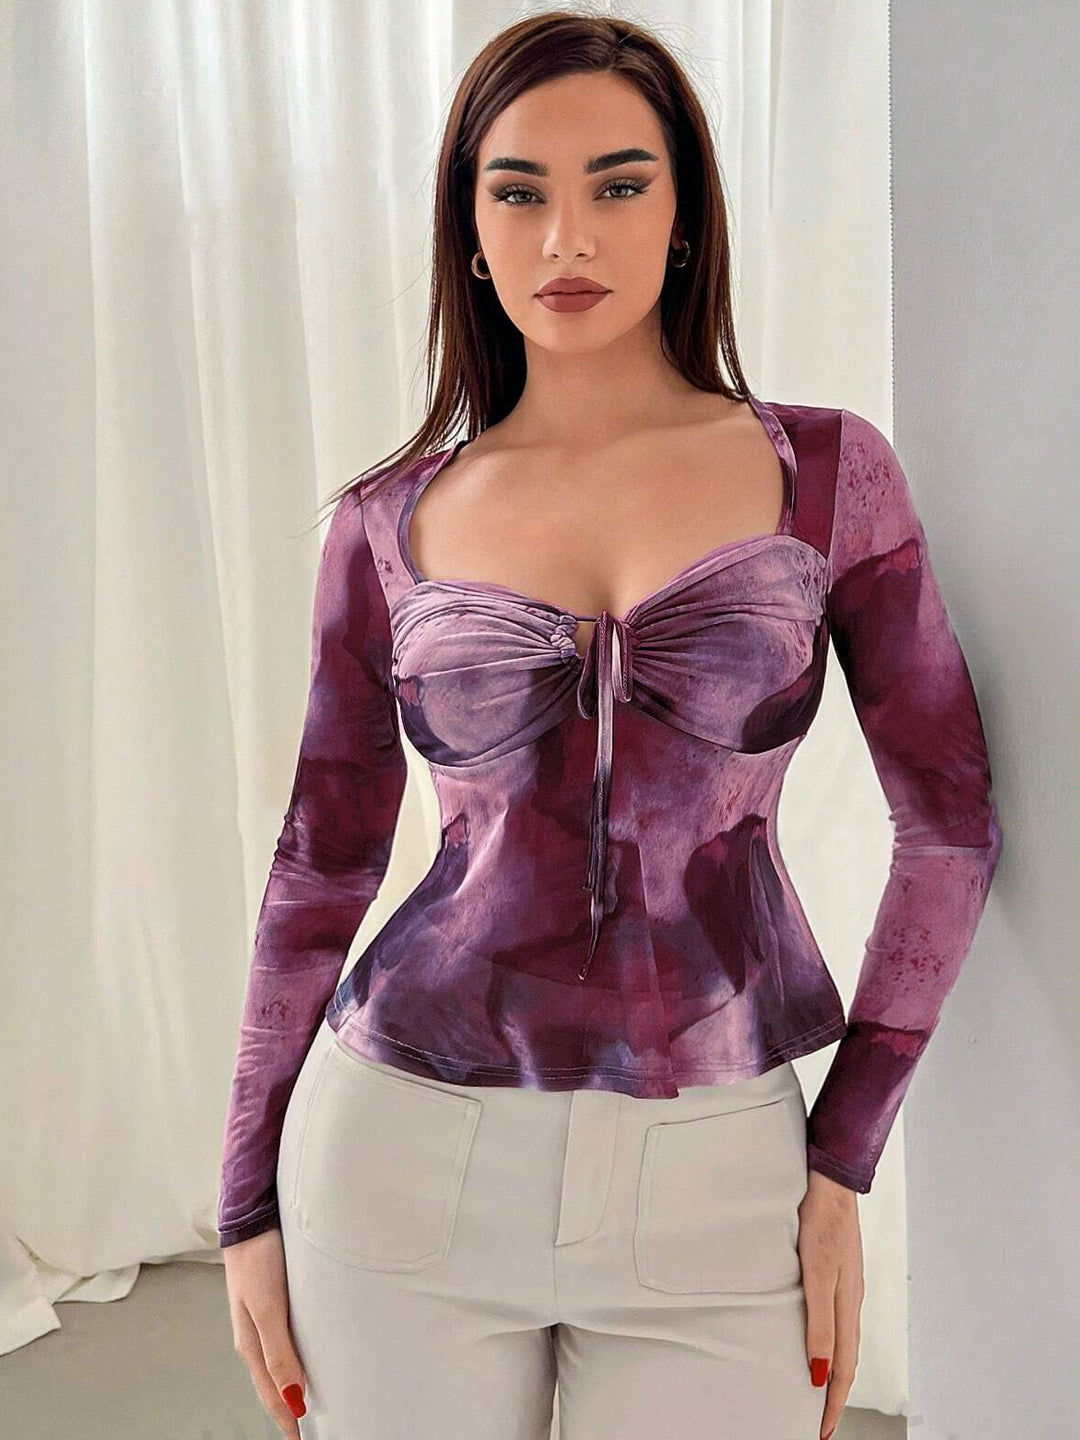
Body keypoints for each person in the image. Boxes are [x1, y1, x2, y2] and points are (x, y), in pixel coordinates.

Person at [217, 14, 1002, 1440]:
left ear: (686, 216)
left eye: (620, 185)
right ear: (468, 231)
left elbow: (948, 828)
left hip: (719, 1167)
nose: (566, 236)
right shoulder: (385, 523)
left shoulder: (830, 473)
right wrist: (243, 1205)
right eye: (518, 191)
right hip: (398, 1153)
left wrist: (844, 1163)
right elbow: (320, 865)